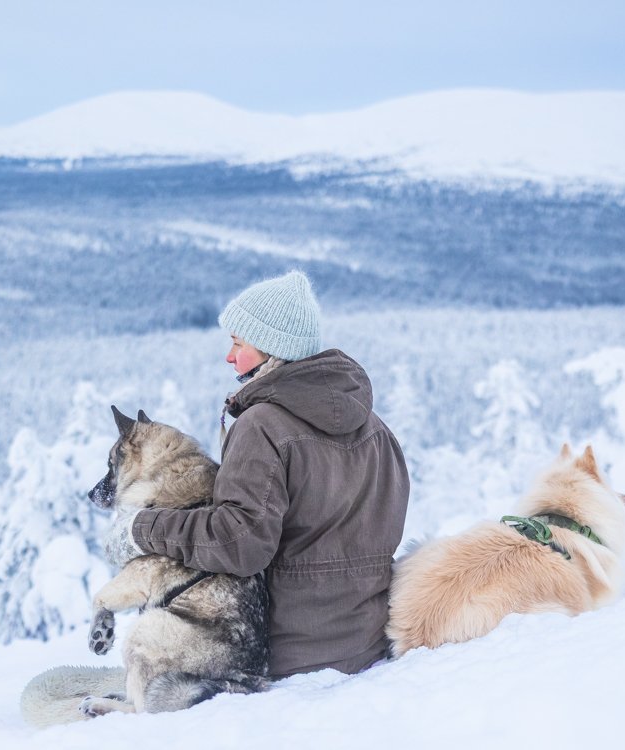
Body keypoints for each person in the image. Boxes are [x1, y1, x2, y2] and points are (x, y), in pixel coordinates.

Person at [108, 270, 411, 678]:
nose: (229, 358)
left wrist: (143, 528)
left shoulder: (262, 426)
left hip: (286, 655)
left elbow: (239, 542)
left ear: (273, 348)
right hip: (368, 645)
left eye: (238, 344)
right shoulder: (377, 429)